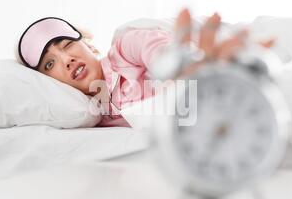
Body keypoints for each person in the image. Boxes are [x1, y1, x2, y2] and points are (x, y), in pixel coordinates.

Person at [17, 8, 273, 127]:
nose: (66, 60)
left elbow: (159, 52)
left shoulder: (124, 48)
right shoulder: (90, 116)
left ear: (89, 45)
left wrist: (181, 70)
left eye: (65, 45)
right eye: (50, 64)